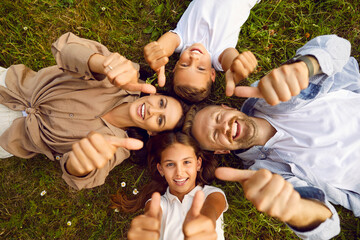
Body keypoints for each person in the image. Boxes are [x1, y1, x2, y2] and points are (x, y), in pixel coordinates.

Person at [182, 35, 360, 239]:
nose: (223, 127)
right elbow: (328, 228)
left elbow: (339, 48)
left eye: (219, 117)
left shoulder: (267, 95)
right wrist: (296, 210)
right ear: (221, 150)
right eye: (214, 135)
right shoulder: (265, 174)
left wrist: (304, 67)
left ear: (227, 107)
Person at [0, 32, 185, 190]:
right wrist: (102, 64)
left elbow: (85, 177)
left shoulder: (118, 146)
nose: (153, 111)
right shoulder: (123, 75)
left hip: (9, 136)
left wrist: (79, 167)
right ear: (154, 94)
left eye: (160, 120)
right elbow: (64, 47)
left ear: (152, 132)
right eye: (161, 103)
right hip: (11, 85)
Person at [111, 132, 228, 240]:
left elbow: (211, 209)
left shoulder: (212, 193)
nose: (179, 172)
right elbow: (152, 215)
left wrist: (205, 220)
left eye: (186, 162)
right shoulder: (159, 203)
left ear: (198, 164)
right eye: (170, 164)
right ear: (160, 169)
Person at [144, 0, 259, 103]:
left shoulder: (183, 40)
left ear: (175, 66)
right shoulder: (217, 55)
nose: (194, 58)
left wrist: (160, 51)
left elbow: (169, 41)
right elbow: (229, 58)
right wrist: (234, 65)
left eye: (184, 65)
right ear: (212, 74)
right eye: (201, 68)